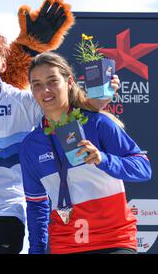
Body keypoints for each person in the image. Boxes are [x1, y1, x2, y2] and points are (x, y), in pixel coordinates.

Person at [0, 28, 120, 254]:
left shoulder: (22, 102)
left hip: (5, 207)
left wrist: (99, 99)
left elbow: (64, 110)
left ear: (3, 65)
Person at [20, 52, 151, 254]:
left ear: (69, 82)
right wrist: (36, 251)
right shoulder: (31, 145)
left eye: (52, 81)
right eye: (37, 84)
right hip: (65, 245)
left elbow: (143, 168)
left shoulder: (98, 123)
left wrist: (103, 159)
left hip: (113, 241)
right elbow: (36, 205)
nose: (45, 89)